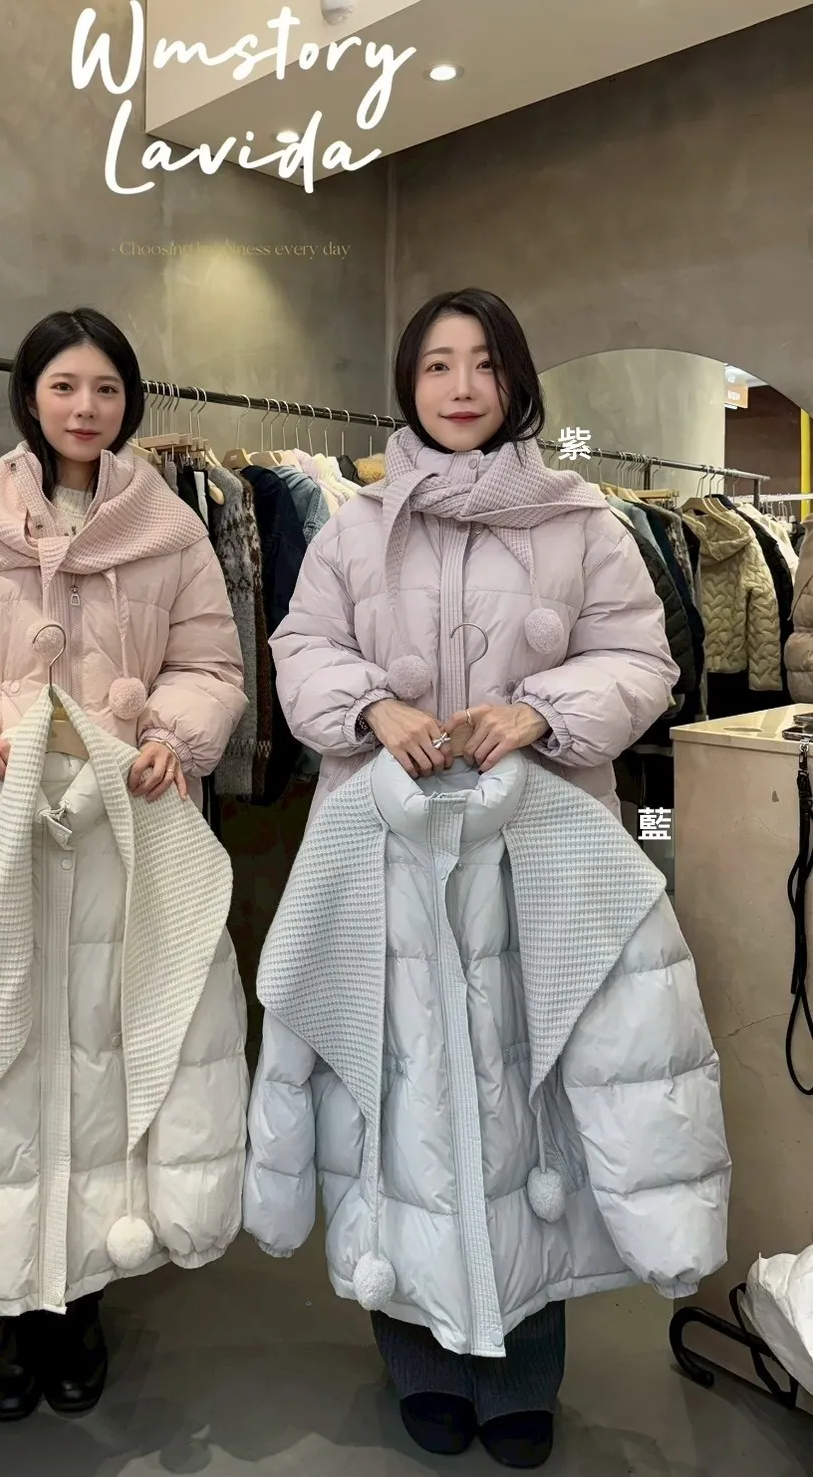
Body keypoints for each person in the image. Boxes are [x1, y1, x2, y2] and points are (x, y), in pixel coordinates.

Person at [267, 289, 681, 1468]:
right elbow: (299, 648)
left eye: (483, 363)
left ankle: (522, 1367)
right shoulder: (355, 524)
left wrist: (538, 710)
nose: (459, 386)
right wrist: (372, 706)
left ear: (515, 382)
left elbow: (641, 658)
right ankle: (420, 1355)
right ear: (407, 383)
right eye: (437, 364)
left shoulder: (582, 520)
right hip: (386, 854)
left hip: (535, 853)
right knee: (401, 1104)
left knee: (526, 1101)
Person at [0, 306, 247, 1420]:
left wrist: (172, 734)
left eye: (107, 389)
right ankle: (5, 1306)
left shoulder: (170, 527)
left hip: (121, 831)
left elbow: (212, 662)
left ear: (131, 402)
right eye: (66, 386)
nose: (87, 408)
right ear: (30, 395)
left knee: (99, 1061)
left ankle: (77, 1300)